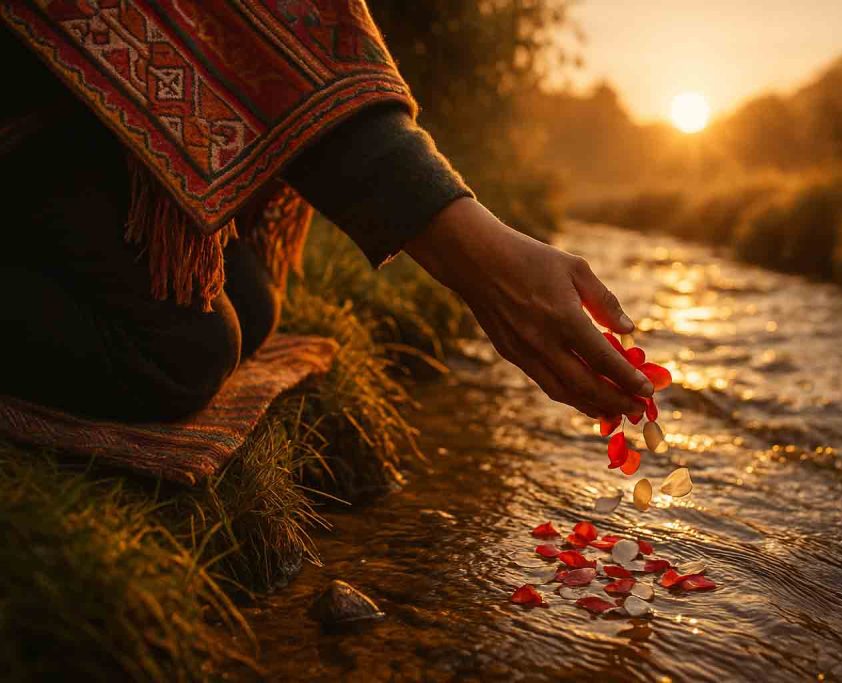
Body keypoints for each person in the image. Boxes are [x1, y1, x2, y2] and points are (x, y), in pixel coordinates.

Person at [0, 2, 651, 423]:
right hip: (28, 92)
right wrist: (476, 254)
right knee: (185, 353)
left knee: (248, 305)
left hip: (79, 122)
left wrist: (474, 247)